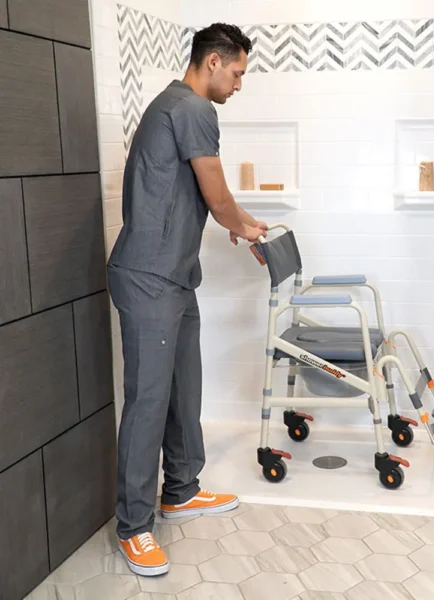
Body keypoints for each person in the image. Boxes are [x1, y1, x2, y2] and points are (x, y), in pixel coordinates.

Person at [106, 23, 266, 577]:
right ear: (214, 61)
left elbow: (210, 199)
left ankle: (180, 488)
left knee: (182, 386)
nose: (239, 85)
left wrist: (243, 222)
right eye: (239, 73)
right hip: (150, 277)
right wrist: (242, 225)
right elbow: (215, 193)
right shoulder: (194, 108)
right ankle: (133, 526)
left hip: (174, 275)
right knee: (148, 399)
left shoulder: (173, 105)